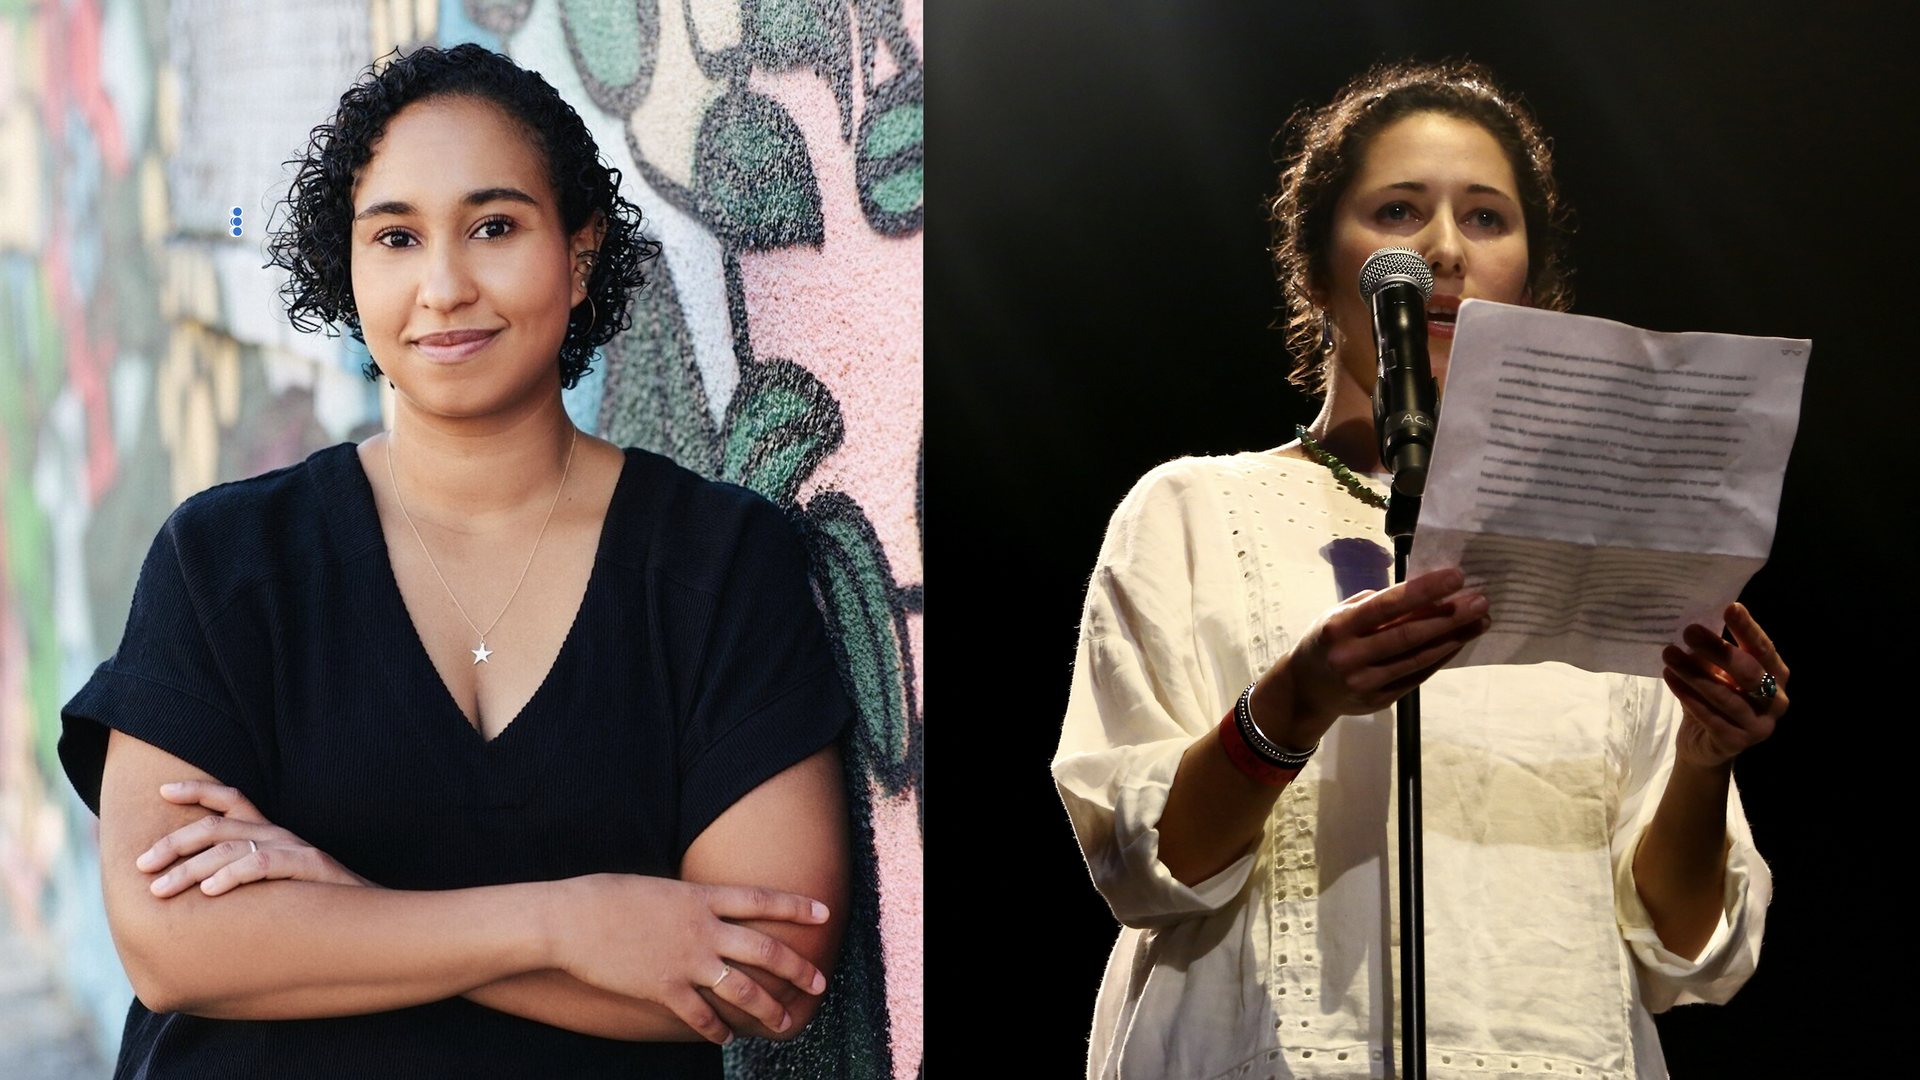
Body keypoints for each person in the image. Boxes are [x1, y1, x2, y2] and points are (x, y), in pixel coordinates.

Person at [57, 43, 853, 1079]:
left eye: (493, 226)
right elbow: (170, 947)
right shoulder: (227, 564)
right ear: (349, 269)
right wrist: (569, 924)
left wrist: (332, 906)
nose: (442, 285)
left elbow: (768, 969)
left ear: (577, 252)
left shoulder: (716, 563)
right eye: (395, 237)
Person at [1052, 60, 1786, 1080]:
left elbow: (1681, 947)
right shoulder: (1191, 509)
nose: (1443, 248)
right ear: (1315, 268)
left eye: (1487, 217)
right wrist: (1297, 701)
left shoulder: (1608, 546)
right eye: (1399, 210)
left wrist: (1709, 756)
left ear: (1531, 277)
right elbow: (1144, 867)